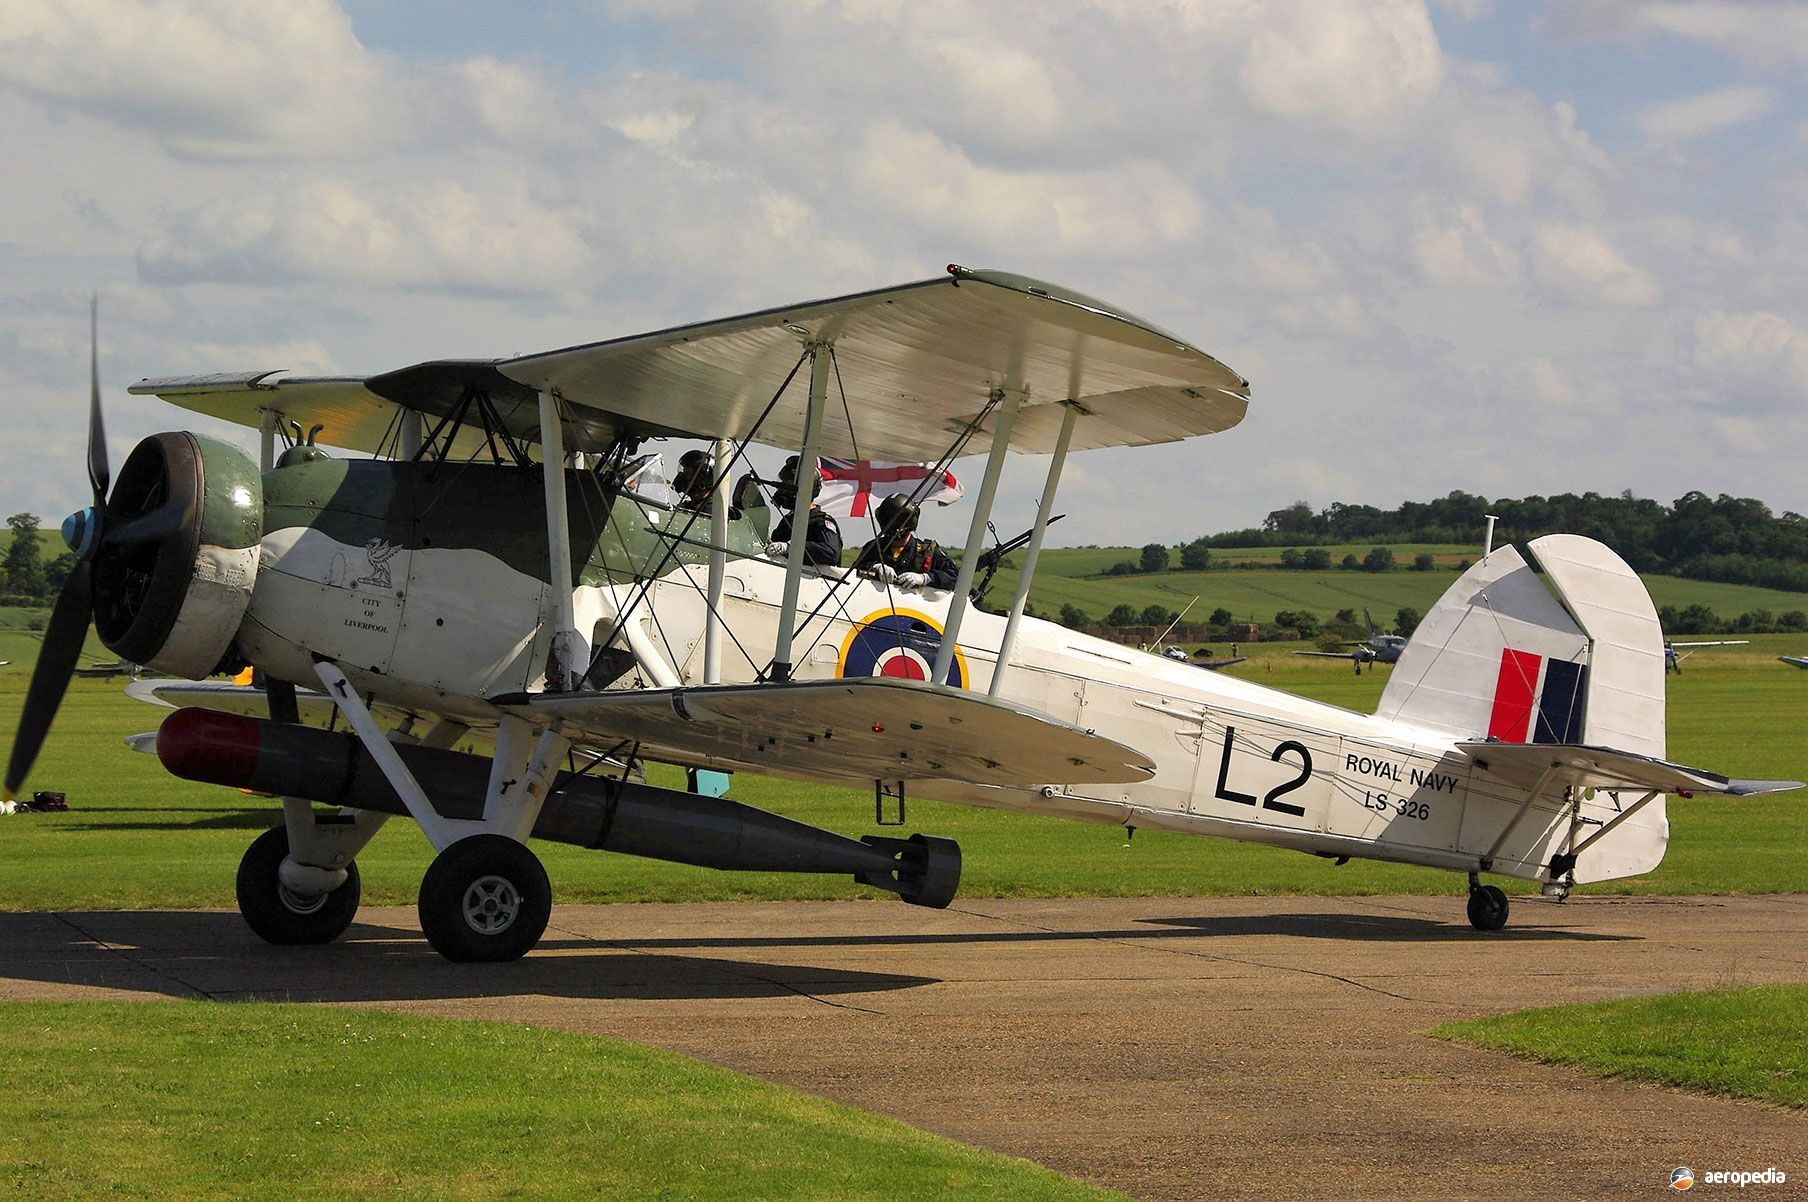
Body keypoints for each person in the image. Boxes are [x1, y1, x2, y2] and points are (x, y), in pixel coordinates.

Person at [854, 493, 958, 590]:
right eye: (889, 519)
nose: (896, 525)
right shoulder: (873, 548)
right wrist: (875, 568)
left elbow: (954, 575)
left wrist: (925, 578)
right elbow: (854, 572)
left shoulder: (927, 551)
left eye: (902, 520)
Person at [767, 456, 842, 566]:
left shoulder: (821, 522)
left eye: (786, 485)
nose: (781, 491)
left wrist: (791, 547)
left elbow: (831, 553)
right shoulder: (787, 521)